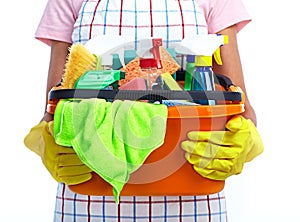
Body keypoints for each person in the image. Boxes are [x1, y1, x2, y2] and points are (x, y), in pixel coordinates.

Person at [24, 0, 264, 221]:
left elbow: (237, 102)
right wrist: (47, 140)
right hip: (88, 200)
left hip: (193, 199)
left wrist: (243, 139)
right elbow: (56, 103)